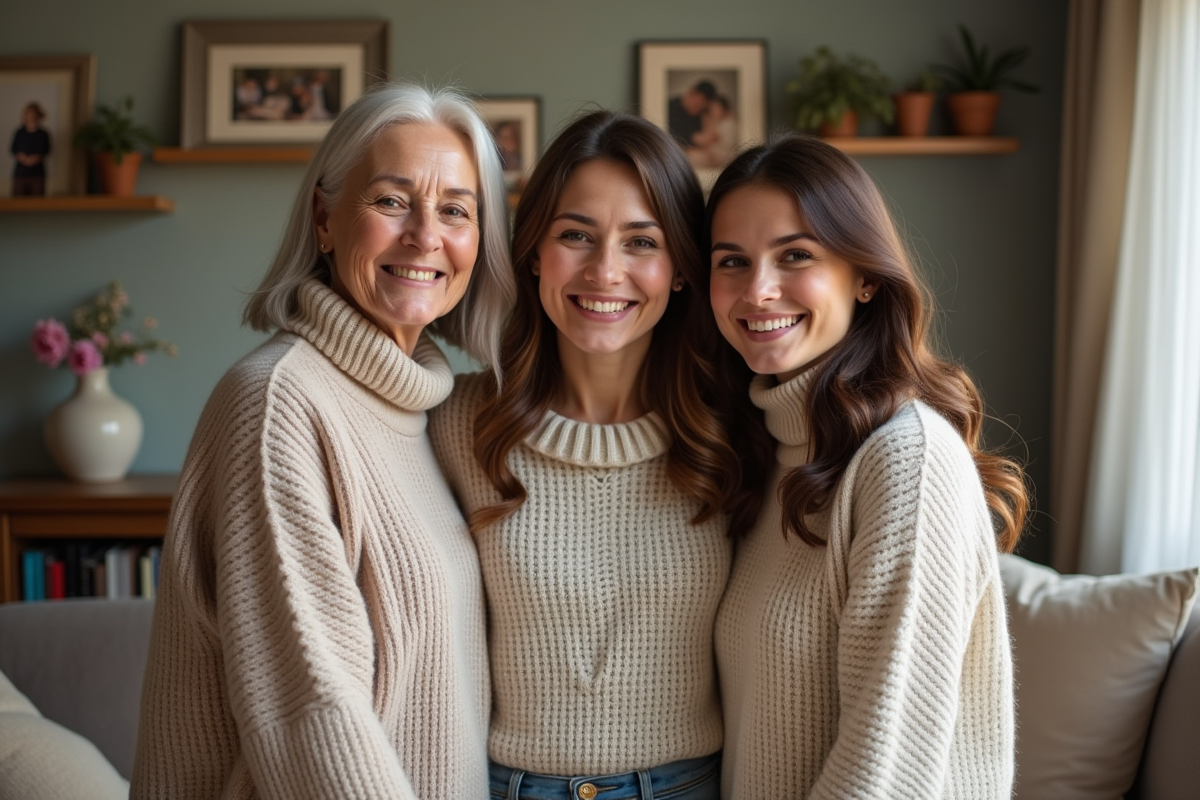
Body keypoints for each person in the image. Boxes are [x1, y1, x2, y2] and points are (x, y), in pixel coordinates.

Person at [131, 82, 514, 800]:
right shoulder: (278, 403)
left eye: (456, 211)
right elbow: (313, 712)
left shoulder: (423, 413)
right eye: (392, 200)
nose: (426, 235)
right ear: (326, 218)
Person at [429, 110, 753, 800]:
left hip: (691, 786)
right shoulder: (455, 423)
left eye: (642, 242)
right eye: (576, 235)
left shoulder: (734, 429)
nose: (606, 272)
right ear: (533, 253)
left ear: (682, 271)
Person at [705, 134, 1027, 799]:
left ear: (866, 276)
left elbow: (885, 776)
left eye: (795, 255)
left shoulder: (907, 459)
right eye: (732, 260)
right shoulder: (769, 450)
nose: (758, 290)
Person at [10, 102, 51, 197]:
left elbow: (47, 150)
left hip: (37, 173)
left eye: (33, 114)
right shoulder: (19, 133)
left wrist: (35, 158)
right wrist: (22, 157)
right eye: (28, 114)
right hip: (21, 172)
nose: (30, 117)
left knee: (37, 201)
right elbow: (13, 149)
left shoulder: (43, 134)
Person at [686, 95, 737, 170]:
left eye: (716, 108)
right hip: (714, 153)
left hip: (723, 156)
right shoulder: (719, 122)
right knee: (690, 154)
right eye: (712, 108)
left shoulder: (728, 123)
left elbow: (708, 139)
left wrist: (706, 122)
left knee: (691, 155)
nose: (713, 111)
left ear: (724, 108)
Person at [667, 79, 715, 148]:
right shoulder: (671, 107)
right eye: (697, 105)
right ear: (692, 92)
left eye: (702, 108)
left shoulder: (697, 116)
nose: (698, 110)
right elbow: (702, 140)